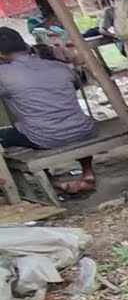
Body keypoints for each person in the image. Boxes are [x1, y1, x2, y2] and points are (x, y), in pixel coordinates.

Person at [0, 27, 98, 195]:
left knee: (10, 134)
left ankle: (53, 181)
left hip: (46, 137)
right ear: (24, 45)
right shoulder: (57, 66)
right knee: (67, 118)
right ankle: (88, 173)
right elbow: (76, 84)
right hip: (83, 129)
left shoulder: (4, 74)